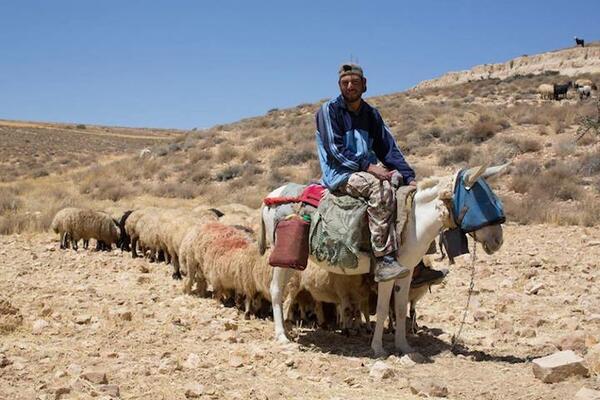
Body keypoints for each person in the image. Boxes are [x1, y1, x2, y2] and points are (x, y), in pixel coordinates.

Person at [315, 62, 417, 282]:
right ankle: (384, 259)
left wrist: (409, 176)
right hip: (340, 173)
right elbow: (335, 150)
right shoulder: (328, 111)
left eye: (355, 82)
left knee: (405, 189)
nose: (350, 86)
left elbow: (388, 148)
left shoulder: (371, 114)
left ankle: (414, 258)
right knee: (379, 188)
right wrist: (369, 167)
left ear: (364, 84)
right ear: (339, 86)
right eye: (345, 83)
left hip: (368, 170)